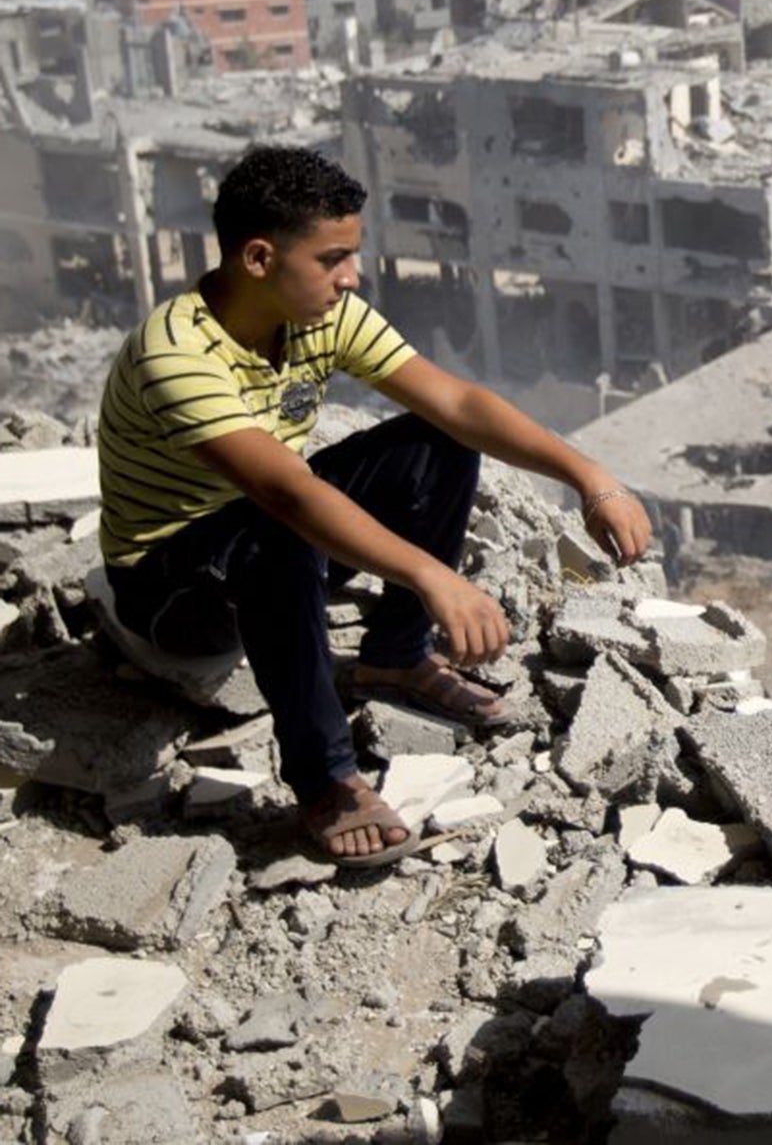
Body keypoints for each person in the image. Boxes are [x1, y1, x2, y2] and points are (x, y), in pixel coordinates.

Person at [98, 145, 653, 866]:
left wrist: (589, 477)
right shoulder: (175, 353)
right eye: (331, 259)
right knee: (283, 523)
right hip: (173, 586)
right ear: (260, 259)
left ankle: (394, 657)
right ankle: (326, 781)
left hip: (265, 533)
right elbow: (285, 491)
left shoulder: (320, 318)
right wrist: (433, 576)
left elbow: (456, 401)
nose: (350, 277)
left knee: (438, 440)